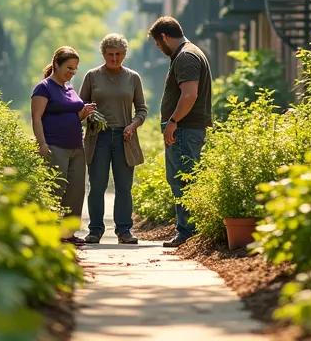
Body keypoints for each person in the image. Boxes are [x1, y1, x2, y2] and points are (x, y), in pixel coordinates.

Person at [149, 16, 213, 248]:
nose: (159, 48)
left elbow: (189, 95)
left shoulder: (186, 57)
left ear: (165, 37)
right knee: (184, 178)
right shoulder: (190, 53)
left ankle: (187, 233)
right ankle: (188, 231)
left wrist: (173, 121)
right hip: (186, 128)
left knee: (183, 180)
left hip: (185, 129)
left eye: (158, 43)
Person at [78, 34, 148, 245]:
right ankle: (95, 230)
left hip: (124, 137)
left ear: (125, 54)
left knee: (124, 186)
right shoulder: (92, 76)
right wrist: (89, 115)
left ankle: (124, 230)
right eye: (110, 54)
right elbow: (79, 107)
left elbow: (142, 109)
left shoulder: (133, 77)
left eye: (118, 54)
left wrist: (133, 125)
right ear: (104, 54)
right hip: (98, 136)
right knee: (97, 185)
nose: (114, 58)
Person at [30, 46, 93, 244]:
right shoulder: (44, 87)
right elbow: (36, 117)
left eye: (74, 69)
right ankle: (50, 234)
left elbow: (72, 115)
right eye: (68, 67)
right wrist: (42, 143)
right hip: (55, 146)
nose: (71, 72)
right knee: (56, 189)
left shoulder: (70, 88)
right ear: (56, 63)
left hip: (76, 146)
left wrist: (83, 114)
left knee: (76, 191)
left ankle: (68, 234)